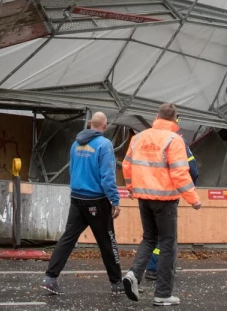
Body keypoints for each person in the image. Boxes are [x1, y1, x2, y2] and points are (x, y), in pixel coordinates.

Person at [121, 102, 201, 307]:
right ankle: (163, 294)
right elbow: (180, 172)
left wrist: (131, 188)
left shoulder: (138, 137)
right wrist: (193, 198)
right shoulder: (174, 140)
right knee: (167, 245)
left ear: (156, 116)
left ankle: (133, 274)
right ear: (175, 119)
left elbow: (127, 165)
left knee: (149, 239)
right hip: (165, 200)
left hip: (143, 197)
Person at [41, 111, 123, 295]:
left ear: (90, 125)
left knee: (68, 238)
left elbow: (73, 169)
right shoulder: (105, 144)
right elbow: (108, 176)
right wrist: (115, 200)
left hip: (77, 198)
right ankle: (117, 283)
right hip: (97, 200)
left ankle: (50, 278)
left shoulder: (76, 144)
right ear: (105, 125)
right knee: (107, 241)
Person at [145, 140, 197, 284]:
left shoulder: (146, 140)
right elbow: (192, 170)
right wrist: (190, 191)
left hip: (147, 194)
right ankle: (157, 268)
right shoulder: (178, 142)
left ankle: (152, 268)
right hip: (168, 194)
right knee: (167, 235)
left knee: (151, 236)